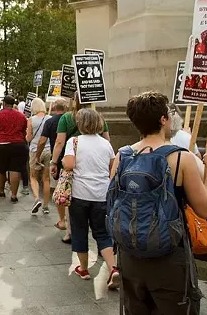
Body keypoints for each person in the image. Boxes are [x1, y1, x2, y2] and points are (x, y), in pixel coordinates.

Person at [110, 91, 207, 315]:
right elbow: (206, 208)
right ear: (163, 120)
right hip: (169, 259)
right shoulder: (181, 158)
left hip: (129, 256)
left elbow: (112, 201)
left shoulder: (122, 156)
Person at [60, 109, 119, 288]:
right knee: (102, 232)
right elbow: (112, 167)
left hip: (80, 194)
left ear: (81, 123)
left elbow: (69, 164)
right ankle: (114, 268)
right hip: (101, 195)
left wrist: (63, 162)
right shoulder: (105, 144)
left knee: (79, 230)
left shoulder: (74, 141)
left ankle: (83, 269)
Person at [49, 94, 110, 241]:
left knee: (72, 196)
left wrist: (54, 161)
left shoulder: (66, 118)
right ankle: (101, 238)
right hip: (95, 165)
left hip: (72, 162)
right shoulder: (99, 118)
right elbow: (107, 139)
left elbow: (59, 142)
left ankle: (70, 232)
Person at [34, 98, 68, 233]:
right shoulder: (72, 119)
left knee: (61, 189)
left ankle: (62, 219)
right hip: (75, 157)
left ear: (53, 108)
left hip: (59, 158)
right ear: (66, 108)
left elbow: (42, 141)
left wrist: (37, 155)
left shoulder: (50, 121)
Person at [0, 95, 28, 203]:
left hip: (2, 145)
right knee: (15, 169)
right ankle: (14, 195)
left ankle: (1, 191)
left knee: (1, 169)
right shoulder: (21, 115)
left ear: (4, 104)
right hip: (18, 145)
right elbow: (24, 130)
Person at [26, 98, 52, 214]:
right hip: (48, 150)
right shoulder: (50, 118)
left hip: (34, 150)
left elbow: (29, 138)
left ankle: (37, 198)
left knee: (33, 177)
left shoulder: (31, 120)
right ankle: (46, 206)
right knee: (46, 179)